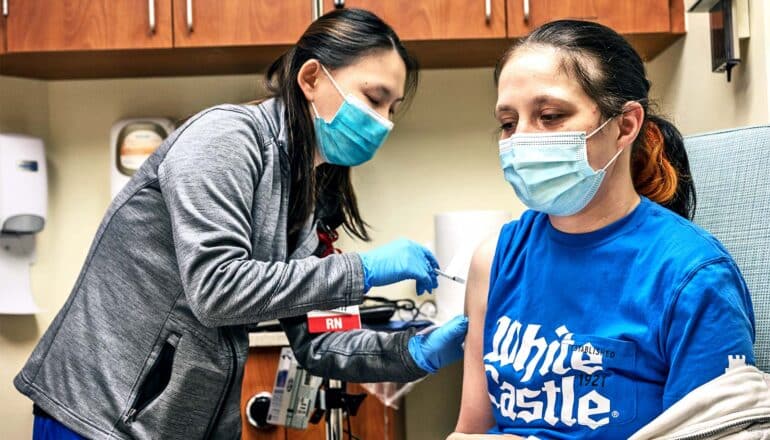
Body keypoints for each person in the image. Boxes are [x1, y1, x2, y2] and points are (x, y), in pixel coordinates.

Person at [15, 9, 467, 440]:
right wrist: (362, 271)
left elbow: (318, 340)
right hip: (99, 417)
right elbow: (217, 289)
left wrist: (414, 352)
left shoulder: (306, 188)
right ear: (311, 78)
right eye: (374, 98)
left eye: (393, 108)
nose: (383, 122)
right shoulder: (225, 139)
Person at [452, 20, 755, 439]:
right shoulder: (495, 259)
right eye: (508, 123)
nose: (520, 140)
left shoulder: (693, 278)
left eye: (550, 116)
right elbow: (469, 432)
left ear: (625, 125)